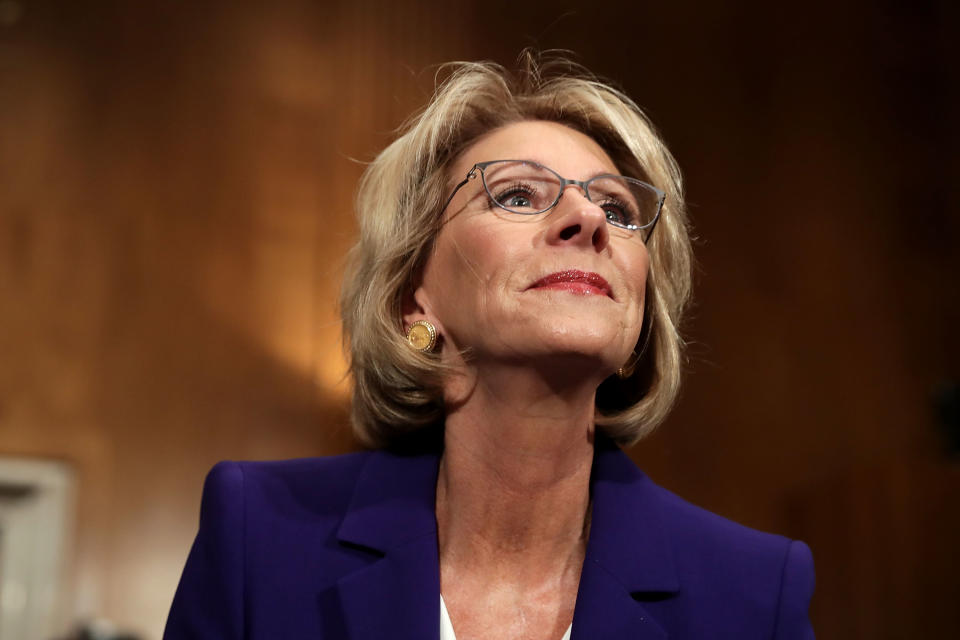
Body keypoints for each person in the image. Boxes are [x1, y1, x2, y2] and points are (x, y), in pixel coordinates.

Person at [164, 54, 815, 639]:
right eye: (515, 194)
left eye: (617, 210)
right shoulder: (261, 536)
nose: (587, 219)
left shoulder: (755, 593)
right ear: (414, 297)